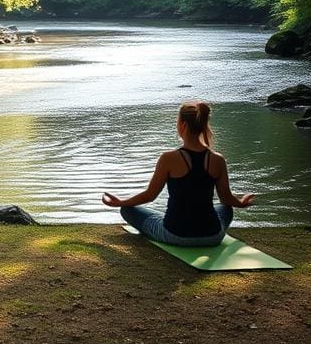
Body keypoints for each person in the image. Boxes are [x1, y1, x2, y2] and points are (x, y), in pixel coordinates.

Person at [102, 101, 255, 246]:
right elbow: (226, 198)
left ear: (183, 125)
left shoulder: (168, 158)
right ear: (203, 126)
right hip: (212, 236)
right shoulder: (217, 159)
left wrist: (121, 202)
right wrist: (241, 203)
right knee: (226, 208)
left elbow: (150, 195)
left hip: (175, 235)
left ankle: (162, 220)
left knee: (128, 210)